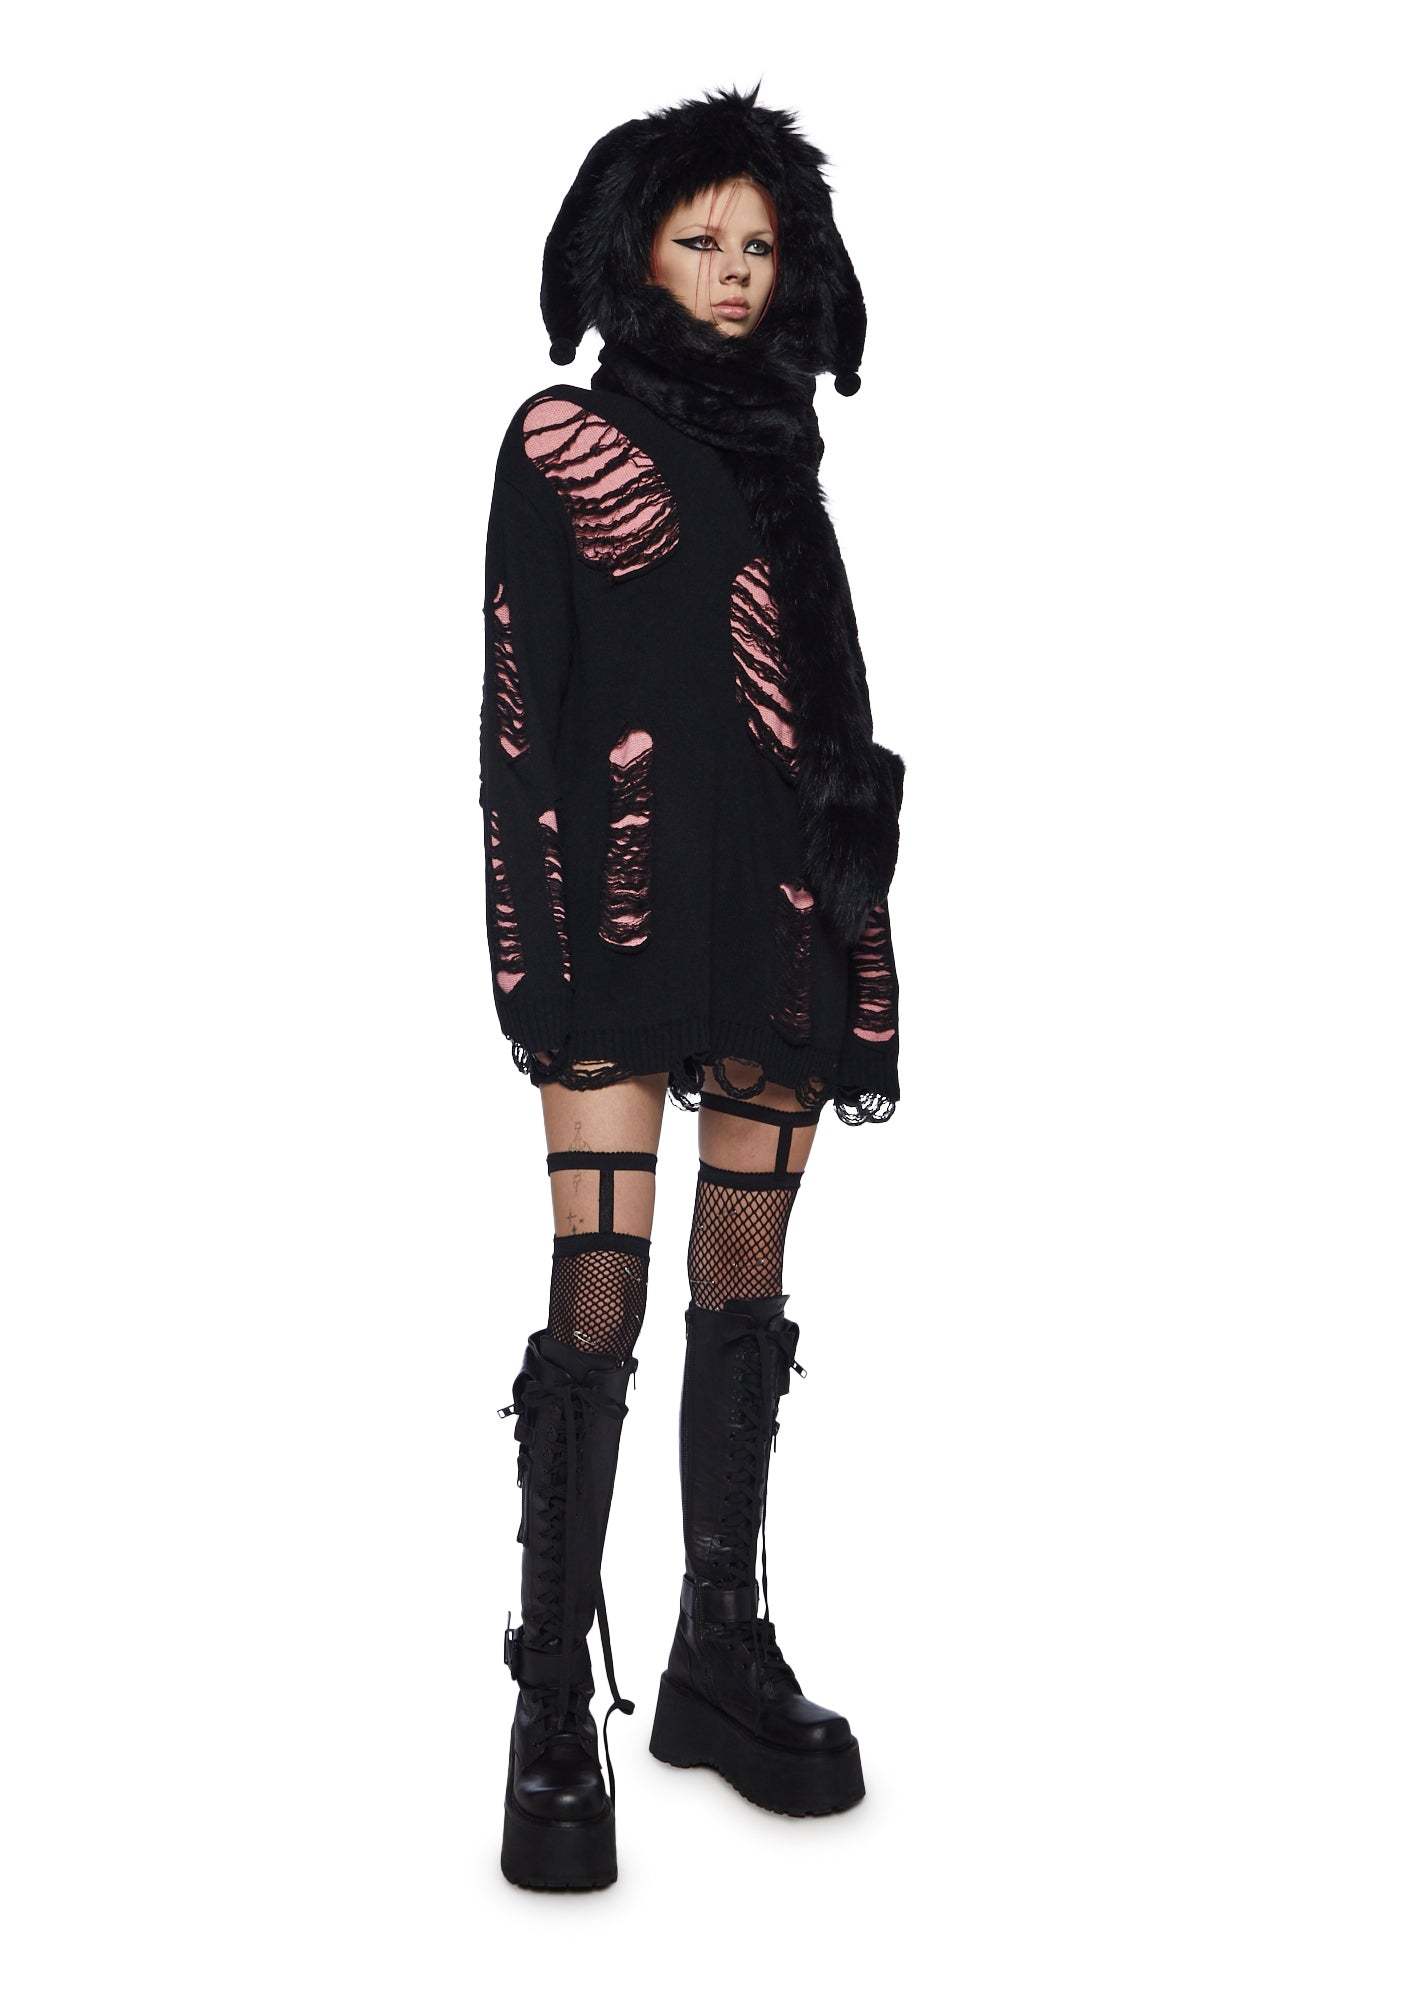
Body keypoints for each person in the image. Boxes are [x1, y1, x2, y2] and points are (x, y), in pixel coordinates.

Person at [483, 84, 905, 1891]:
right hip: (618, 914)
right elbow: (519, 710)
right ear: (632, 250)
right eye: (699, 241)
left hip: (776, 904)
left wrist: (854, 895)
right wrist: (533, 948)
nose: (735, 274)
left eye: (759, 246)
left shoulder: (779, 449)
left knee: (747, 1282)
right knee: (597, 1288)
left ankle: (715, 1649)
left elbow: (816, 702)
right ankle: (544, 1707)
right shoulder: (565, 440)